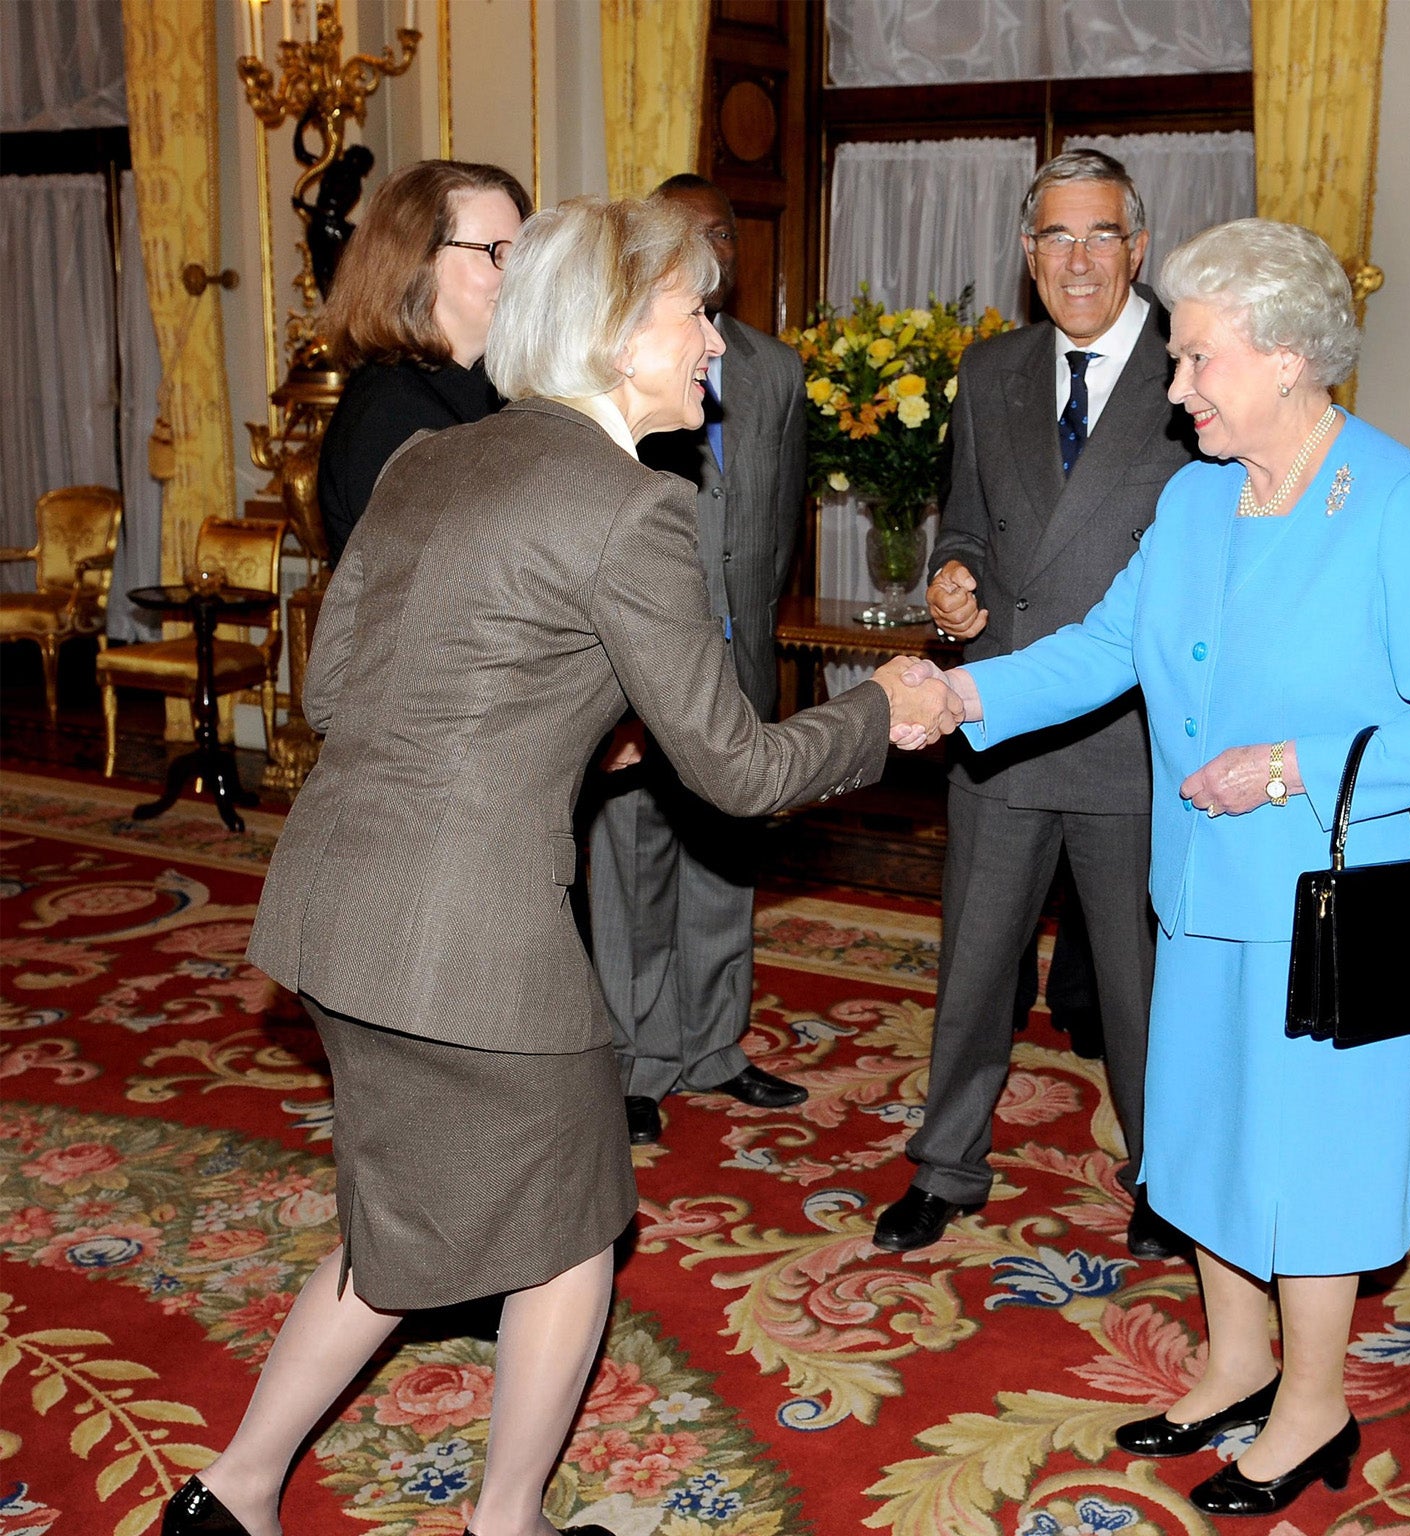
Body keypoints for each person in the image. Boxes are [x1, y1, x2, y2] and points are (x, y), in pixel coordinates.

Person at [166, 197, 957, 1536]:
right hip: (469, 934)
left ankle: (231, 1492)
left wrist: (561, 746)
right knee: (572, 1229)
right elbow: (743, 774)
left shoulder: (430, 460)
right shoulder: (630, 505)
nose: (715, 339)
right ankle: (507, 1523)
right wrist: (889, 706)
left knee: (405, 1230)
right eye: (691, 311)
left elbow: (347, 691)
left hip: (332, 908)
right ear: (609, 334)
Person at [907, 218, 1410, 1517]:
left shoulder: (1403, 505)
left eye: (1195, 362)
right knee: (1206, 1136)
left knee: (1312, 1158)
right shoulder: (1191, 499)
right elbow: (1102, 651)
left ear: (1288, 358)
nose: (1174, 391)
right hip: (1199, 888)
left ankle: (1313, 1403)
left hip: (1330, 899)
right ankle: (1236, 1363)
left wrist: (1288, 762)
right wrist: (960, 693)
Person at [872, 148, 1199, 1259]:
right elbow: (961, 523)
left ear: (1137, 247)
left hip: (1133, 739)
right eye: (1053, 237)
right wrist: (952, 578)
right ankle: (946, 1164)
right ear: (1025, 254)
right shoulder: (990, 372)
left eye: (1099, 234)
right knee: (972, 967)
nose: (1076, 259)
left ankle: (1165, 1179)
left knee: (1138, 985)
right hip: (1001, 725)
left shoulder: (1193, 367)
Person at [584, 173, 812, 1145]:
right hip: (636, 672)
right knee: (629, 868)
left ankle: (713, 1046)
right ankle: (633, 1062)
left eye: (722, 233)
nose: (711, 248)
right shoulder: (611, 369)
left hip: (736, 674)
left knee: (723, 865)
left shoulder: (776, 372)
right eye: (689, 235)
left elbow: (779, 526)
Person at [316, 158, 531, 563]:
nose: (520, 274)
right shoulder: (392, 415)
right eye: (497, 252)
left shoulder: (488, 393)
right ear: (421, 261)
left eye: (523, 255)